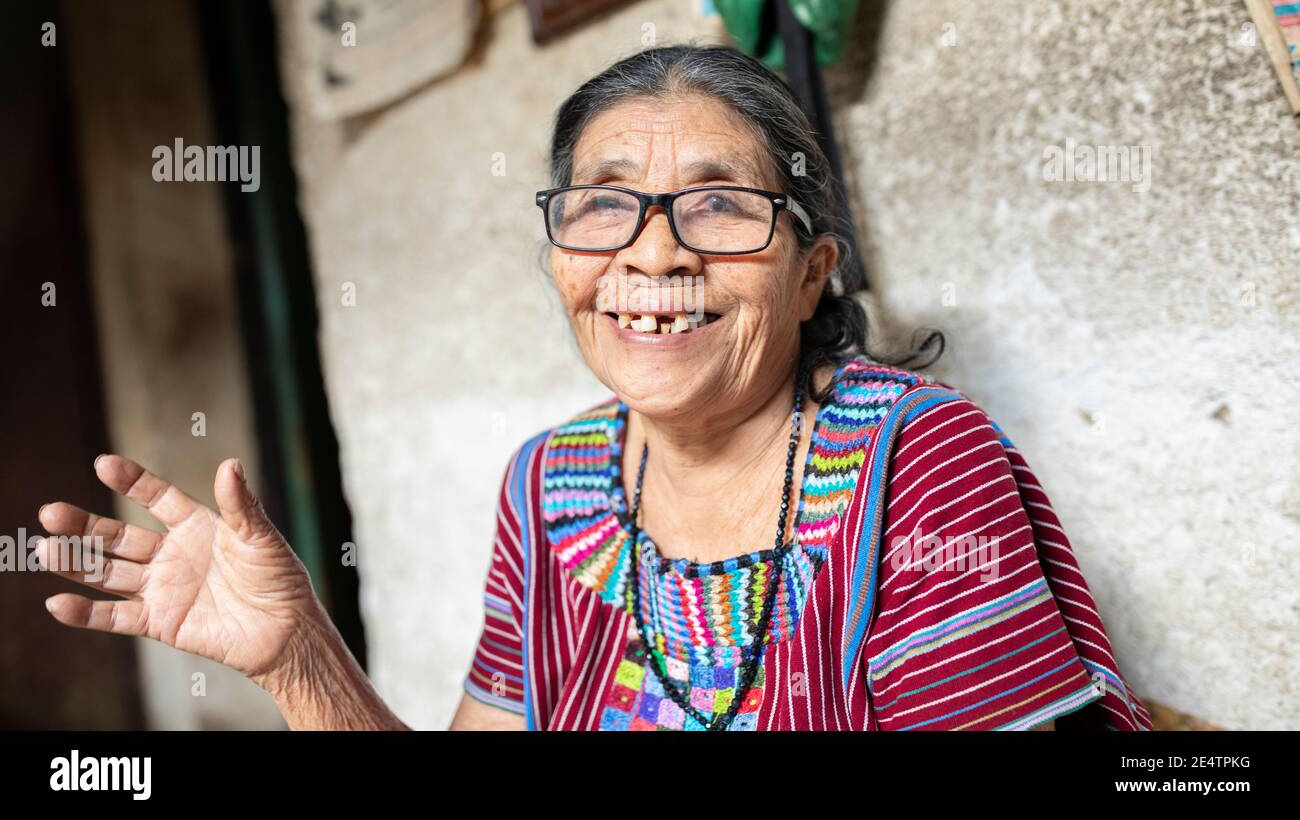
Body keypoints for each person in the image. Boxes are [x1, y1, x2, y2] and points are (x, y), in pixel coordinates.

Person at [33, 44, 1150, 732]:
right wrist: (300, 659)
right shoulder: (553, 484)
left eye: (719, 204)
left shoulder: (916, 456)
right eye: (604, 203)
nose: (652, 256)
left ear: (812, 276)